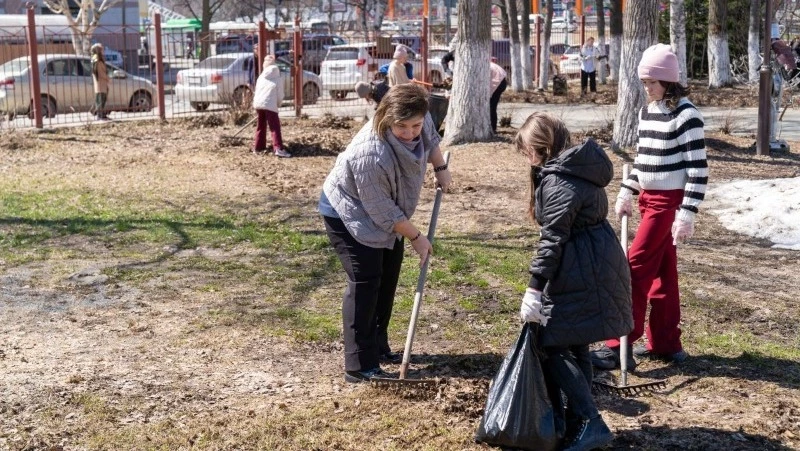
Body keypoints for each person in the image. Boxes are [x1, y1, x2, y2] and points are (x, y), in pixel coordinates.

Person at [318, 83, 452, 383]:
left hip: (386, 210)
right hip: (349, 211)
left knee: (388, 274)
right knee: (366, 280)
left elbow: (429, 136)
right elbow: (382, 211)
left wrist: (440, 167)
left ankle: (378, 346)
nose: (410, 133)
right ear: (386, 118)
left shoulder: (420, 116)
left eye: (414, 125)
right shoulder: (370, 152)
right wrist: (416, 237)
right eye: (401, 127)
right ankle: (359, 365)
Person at [516, 112, 632, 451]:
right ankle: (575, 421)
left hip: (583, 266)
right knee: (575, 341)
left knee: (550, 343)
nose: (527, 159)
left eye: (527, 151)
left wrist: (534, 288)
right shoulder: (573, 168)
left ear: (541, 147)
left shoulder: (560, 181)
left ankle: (590, 420)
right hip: (591, 261)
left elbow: (552, 239)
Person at [591, 44, 708, 370]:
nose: (647, 88)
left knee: (634, 269)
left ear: (668, 81)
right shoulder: (648, 112)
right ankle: (667, 343)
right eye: (643, 82)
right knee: (663, 276)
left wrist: (687, 213)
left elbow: (698, 170)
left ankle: (619, 345)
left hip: (668, 206)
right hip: (649, 201)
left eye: (652, 82)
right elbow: (643, 163)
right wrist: (628, 190)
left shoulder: (687, 116)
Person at [251, 55, 290, 158]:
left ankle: (258, 147)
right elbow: (280, 94)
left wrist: (257, 104)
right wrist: (278, 104)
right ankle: (278, 148)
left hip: (259, 104)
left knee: (261, 126)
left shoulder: (261, 77)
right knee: (275, 127)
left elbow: (257, 91)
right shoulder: (277, 77)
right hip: (270, 104)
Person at [90, 43, 110, 120]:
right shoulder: (97, 60)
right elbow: (100, 72)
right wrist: (107, 78)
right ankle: (99, 113)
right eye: (101, 49)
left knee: (101, 98)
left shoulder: (97, 59)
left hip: (101, 82)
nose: (103, 51)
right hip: (100, 82)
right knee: (101, 98)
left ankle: (98, 112)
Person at [489, 57, 507, 133]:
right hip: (502, 81)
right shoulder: (488, 64)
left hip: (498, 82)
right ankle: (493, 127)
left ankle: (493, 128)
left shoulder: (482, 65)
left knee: (491, 106)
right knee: (492, 106)